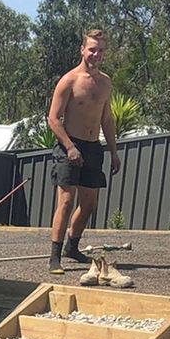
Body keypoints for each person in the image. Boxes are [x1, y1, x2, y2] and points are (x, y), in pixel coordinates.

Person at [47, 28, 122, 275]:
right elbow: (53, 119)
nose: (96, 54)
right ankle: (55, 257)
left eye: (100, 50)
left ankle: (73, 246)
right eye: (92, 49)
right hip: (69, 145)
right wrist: (69, 147)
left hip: (92, 148)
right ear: (83, 50)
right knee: (66, 201)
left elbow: (107, 119)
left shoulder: (105, 82)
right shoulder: (69, 80)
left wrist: (113, 151)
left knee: (89, 204)